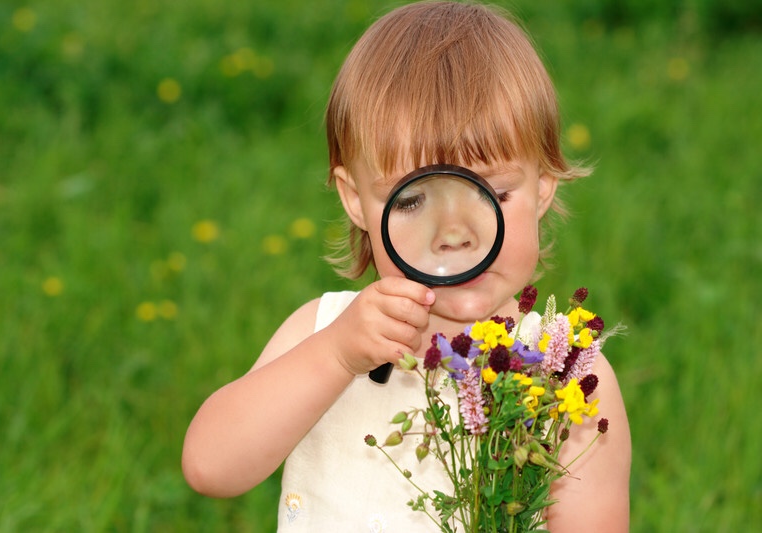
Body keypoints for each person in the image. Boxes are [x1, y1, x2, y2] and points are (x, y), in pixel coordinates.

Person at [182, 2, 631, 531]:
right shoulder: (323, 332)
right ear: (356, 201)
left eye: (494, 193)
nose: (455, 233)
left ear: (541, 190)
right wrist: (334, 356)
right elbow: (210, 467)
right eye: (413, 201)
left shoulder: (567, 376)